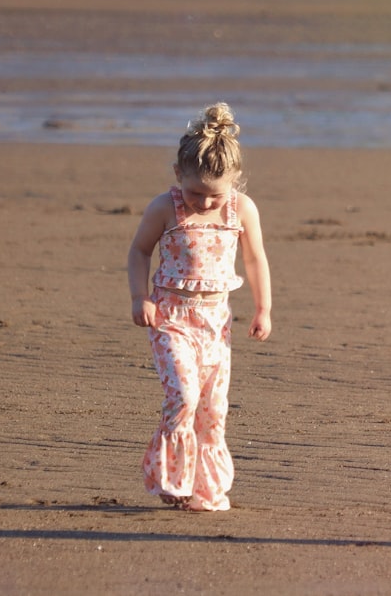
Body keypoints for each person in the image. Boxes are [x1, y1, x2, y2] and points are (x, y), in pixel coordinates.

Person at [127, 102, 272, 512]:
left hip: (216, 321)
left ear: (235, 183)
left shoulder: (242, 209)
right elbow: (139, 252)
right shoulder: (164, 208)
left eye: (216, 194)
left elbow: (255, 259)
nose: (205, 203)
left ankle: (206, 489)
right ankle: (172, 481)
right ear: (178, 174)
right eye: (195, 193)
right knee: (185, 396)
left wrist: (263, 308)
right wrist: (140, 298)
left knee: (213, 409)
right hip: (171, 317)